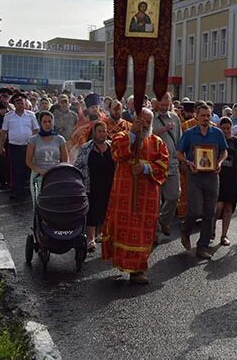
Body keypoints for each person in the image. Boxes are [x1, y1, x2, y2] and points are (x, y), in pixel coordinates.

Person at [101, 108, 169, 285]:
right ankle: (121, 262)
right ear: (134, 120)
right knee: (123, 228)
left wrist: (146, 168)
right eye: (141, 120)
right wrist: (132, 134)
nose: (144, 124)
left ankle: (138, 270)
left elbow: (163, 166)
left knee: (142, 232)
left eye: (147, 121)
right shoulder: (121, 136)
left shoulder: (157, 142)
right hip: (125, 192)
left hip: (147, 196)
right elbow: (117, 154)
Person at [177, 103, 228, 259]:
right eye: (203, 115)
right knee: (194, 210)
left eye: (208, 115)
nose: (206, 118)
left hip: (212, 176)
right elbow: (178, 153)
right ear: (196, 116)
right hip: (195, 175)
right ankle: (185, 231)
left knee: (209, 212)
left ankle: (202, 246)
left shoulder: (217, 133)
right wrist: (188, 162)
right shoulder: (189, 133)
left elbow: (224, 151)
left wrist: (219, 162)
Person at [74, 121, 115, 252]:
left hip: (110, 184)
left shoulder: (113, 146)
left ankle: (103, 234)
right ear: (94, 133)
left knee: (107, 210)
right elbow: (78, 165)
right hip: (91, 185)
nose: (103, 134)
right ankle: (90, 238)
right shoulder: (86, 148)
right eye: (100, 131)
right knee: (92, 211)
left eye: (104, 131)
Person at [152, 93, 182, 238]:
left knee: (174, 196)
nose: (164, 108)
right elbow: (147, 137)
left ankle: (163, 220)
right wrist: (163, 130)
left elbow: (179, 139)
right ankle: (155, 233)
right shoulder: (150, 117)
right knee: (155, 202)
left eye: (167, 105)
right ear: (157, 104)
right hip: (155, 164)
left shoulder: (175, 118)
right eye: (161, 105)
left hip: (172, 163)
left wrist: (181, 156)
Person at [0, 93, 39, 201]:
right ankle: (15, 190)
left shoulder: (31, 115)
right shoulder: (8, 116)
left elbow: (35, 130)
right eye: (18, 103)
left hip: (28, 146)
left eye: (22, 102)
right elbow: (4, 132)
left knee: (26, 168)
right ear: (14, 104)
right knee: (15, 169)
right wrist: (1, 146)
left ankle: (23, 189)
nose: (20, 104)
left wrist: (36, 145)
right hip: (14, 146)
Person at [214, 117, 237, 246]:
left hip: (231, 178)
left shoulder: (235, 141)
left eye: (228, 128)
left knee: (228, 207)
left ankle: (224, 235)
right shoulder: (215, 139)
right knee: (218, 206)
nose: (226, 131)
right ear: (219, 128)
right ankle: (211, 227)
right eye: (224, 128)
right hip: (218, 177)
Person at [26, 111, 68, 207]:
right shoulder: (34, 140)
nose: (47, 124)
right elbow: (28, 161)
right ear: (40, 123)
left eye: (49, 121)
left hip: (55, 175)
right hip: (38, 175)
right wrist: (39, 170)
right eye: (44, 122)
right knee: (39, 205)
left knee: (55, 205)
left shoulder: (60, 139)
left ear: (53, 122)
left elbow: (65, 160)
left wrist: (58, 171)